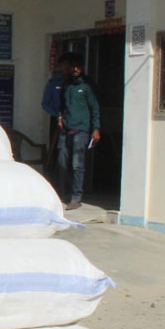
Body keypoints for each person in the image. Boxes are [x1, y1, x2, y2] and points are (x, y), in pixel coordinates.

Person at [56, 52, 101, 211]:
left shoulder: (87, 85)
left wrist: (96, 129)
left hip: (81, 130)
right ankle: (64, 193)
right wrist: (60, 117)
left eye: (77, 66)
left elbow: (94, 108)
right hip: (66, 129)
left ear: (81, 68)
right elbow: (61, 105)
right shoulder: (66, 84)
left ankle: (76, 197)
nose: (74, 69)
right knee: (62, 162)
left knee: (77, 164)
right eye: (71, 66)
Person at [42, 52, 76, 191]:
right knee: (58, 155)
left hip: (76, 123)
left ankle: (73, 188)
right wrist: (57, 115)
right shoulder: (54, 83)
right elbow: (45, 103)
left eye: (68, 65)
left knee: (75, 158)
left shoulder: (78, 82)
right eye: (63, 65)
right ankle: (59, 186)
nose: (66, 68)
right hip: (58, 122)